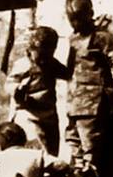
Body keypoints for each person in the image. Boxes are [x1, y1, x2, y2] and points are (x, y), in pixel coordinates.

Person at [64, 0, 113, 177]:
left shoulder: (101, 38)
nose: (76, 22)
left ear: (90, 13)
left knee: (92, 158)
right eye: (72, 18)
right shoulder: (71, 40)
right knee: (75, 153)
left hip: (94, 105)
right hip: (74, 105)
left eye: (80, 17)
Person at [9, 25, 68, 155]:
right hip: (29, 116)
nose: (43, 59)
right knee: (38, 154)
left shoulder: (52, 64)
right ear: (31, 49)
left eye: (48, 55)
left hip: (49, 117)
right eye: (40, 54)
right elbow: (11, 86)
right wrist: (18, 90)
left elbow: (67, 74)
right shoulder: (23, 64)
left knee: (52, 154)